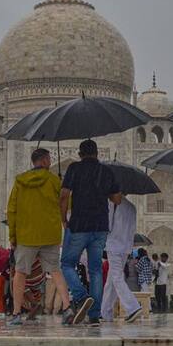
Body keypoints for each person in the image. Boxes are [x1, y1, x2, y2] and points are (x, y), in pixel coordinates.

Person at [6, 148, 75, 326]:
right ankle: (67, 308)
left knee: (20, 273)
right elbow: (66, 202)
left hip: (26, 235)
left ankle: (16, 314)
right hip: (49, 234)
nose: (50, 161)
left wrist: (13, 236)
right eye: (49, 159)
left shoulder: (20, 182)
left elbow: (12, 210)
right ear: (44, 161)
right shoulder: (53, 180)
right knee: (55, 270)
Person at [60, 139, 122, 326]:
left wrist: (64, 219)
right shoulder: (106, 171)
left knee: (67, 264)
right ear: (97, 153)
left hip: (79, 224)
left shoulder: (74, 168)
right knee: (95, 270)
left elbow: (64, 196)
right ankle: (94, 315)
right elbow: (117, 199)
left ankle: (80, 297)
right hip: (100, 226)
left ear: (80, 154)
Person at [101, 194, 142, 323]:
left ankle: (133, 307)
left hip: (114, 245)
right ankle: (105, 312)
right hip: (126, 247)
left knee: (117, 277)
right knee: (111, 280)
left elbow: (107, 225)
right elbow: (132, 229)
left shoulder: (113, 203)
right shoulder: (132, 207)